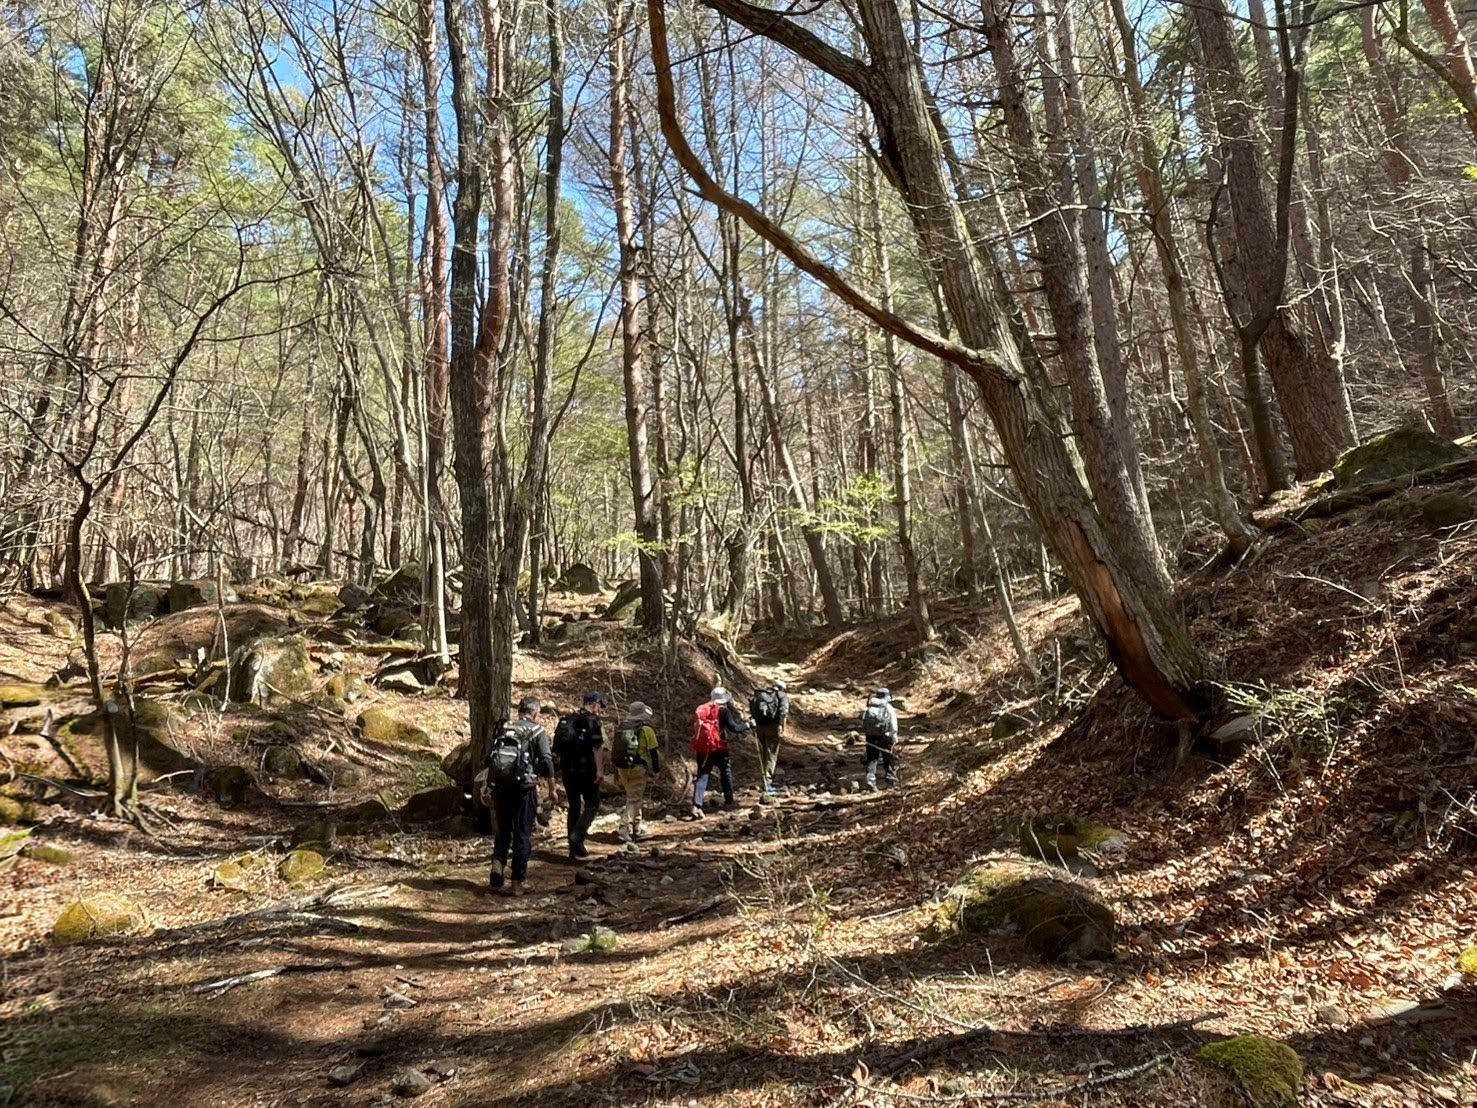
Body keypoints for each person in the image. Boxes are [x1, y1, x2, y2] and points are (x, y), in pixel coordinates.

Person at [481, 696, 555, 896]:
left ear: (520, 711)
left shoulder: (504, 728)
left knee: (503, 831)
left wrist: (488, 787)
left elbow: (491, 759)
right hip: (524, 789)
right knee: (522, 833)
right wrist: (552, 787)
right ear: (535, 713)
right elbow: (547, 760)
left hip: (501, 788)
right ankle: (517, 882)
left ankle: (497, 873)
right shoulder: (537, 731)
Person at [552, 691, 606, 860]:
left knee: (574, 806)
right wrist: (600, 771)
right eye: (600, 706)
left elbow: (556, 749)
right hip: (587, 770)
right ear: (594, 705)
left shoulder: (567, 720)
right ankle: (578, 835)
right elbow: (597, 748)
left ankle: (573, 849)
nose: (601, 710)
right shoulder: (593, 721)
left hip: (568, 771)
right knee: (593, 803)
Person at [610, 700, 660, 849]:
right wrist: (656, 771)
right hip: (637, 768)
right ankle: (624, 829)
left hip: (622, 768)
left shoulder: (622, 727)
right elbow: (653, 753)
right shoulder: (646, 730)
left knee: (634, 796)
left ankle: (637, 828)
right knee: (633, 799)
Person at [690, 686, 747, 818]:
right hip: (720, 747)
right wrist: (748, 725)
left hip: (703, 748)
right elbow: (734, 728)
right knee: (725, 772)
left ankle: (697, 805)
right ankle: (729, 800)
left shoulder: (702, 709)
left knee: (702, 775)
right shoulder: (724, 711)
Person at [749, 680, 790, 802]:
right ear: (782, 688)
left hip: (760, 727)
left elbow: (752, 708)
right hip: (773, 727)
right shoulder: (781, 696)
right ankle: (767, 781)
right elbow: (783, 712)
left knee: (764, 751)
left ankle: (762, 778)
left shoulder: (761, 695)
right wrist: (782, 727)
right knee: (771, 754)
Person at [860, 687, 898, 791]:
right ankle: (890, 783)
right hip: (885, 736)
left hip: (871, 736)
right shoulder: (888, 707)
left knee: (872, 759)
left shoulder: (870, 706)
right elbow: (893, 725)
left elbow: (864, 722)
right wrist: (894, 737)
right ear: (887, 696)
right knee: (888, 759)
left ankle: (870, 781)